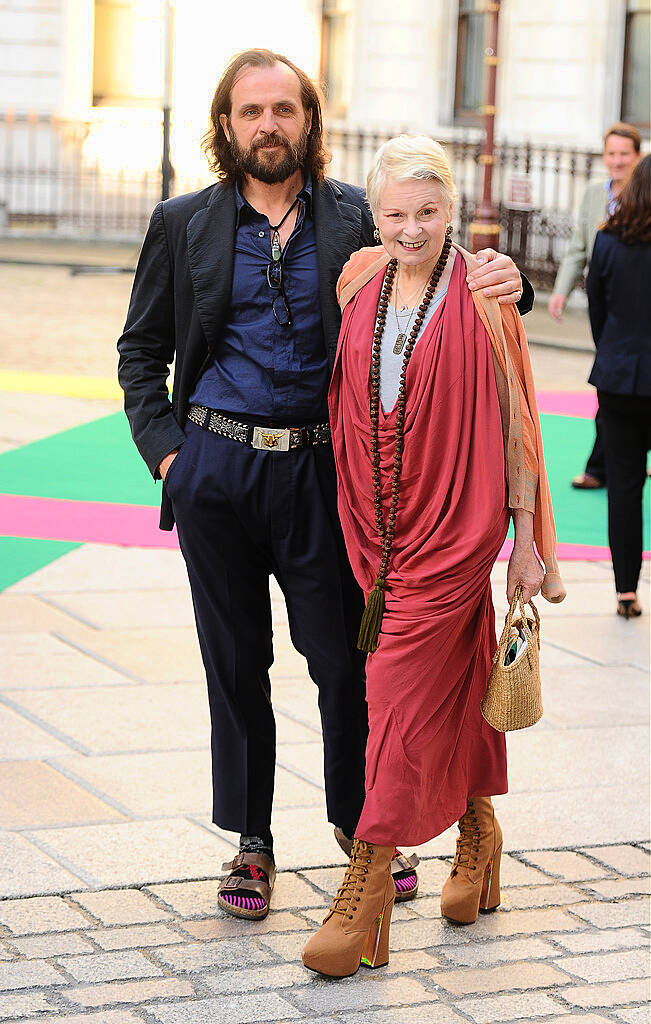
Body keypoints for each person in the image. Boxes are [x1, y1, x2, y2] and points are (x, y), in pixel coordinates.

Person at [117, 49, 533, 922]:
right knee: (235, 667)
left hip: (324, 476)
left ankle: (362, 831)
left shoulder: (354, 216)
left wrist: (514, 283)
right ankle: (252, 842)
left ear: (309, 120)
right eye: (249, 112)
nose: (268, 125)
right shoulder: (181, 221)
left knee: (346, 665)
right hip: (216, 470)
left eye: (283, 109)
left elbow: (436, 263)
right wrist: (169, 458)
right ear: (226, 127)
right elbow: (139, 352)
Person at [302, 135, 565, 978]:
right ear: (372, 216)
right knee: (448, 684)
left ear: (450, 210)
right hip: (376, 528)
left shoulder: (485, 294)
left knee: (393, 699)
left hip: (455, 529)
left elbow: (518, 423)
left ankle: (368, 880)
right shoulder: (359, 279)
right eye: (394, 214)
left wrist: (527, 542)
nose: (410, 229)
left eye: (426, 211)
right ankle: (479, 835)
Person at [548, 123, 641, 490]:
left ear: (637, 157)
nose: (617, 161)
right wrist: (560, 291)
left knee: (624, 386)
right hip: (606, 305)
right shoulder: (592, 195)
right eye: (612, 154)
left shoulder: (644, 196)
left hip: (640, 307)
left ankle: (608, 464)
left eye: (625, 154)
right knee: (612, 383)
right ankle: (605, 465)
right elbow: (578, 247)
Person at [586, 154, 651, 619]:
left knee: (624, 487)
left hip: (619, 376)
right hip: (625, 373)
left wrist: (612, 353)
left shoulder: (607, 241)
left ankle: (625, 590)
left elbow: (597, 308)